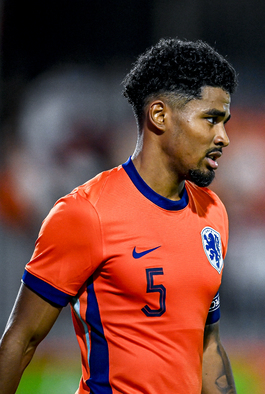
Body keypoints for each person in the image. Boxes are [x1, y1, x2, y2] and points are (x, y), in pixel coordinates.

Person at [0, 38, 238, 393]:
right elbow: (22, 341)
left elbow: (208, 345)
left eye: (225, 122)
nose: (224, 137)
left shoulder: (213, 213)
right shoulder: (86, 213)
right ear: (159, 116)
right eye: (211, 120)